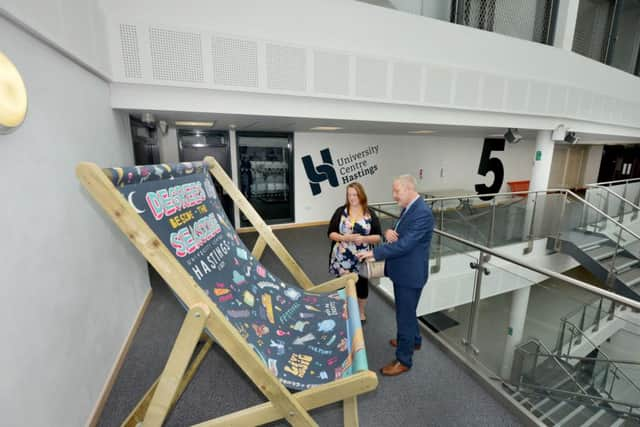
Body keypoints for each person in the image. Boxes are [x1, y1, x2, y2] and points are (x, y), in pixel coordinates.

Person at [357, 175, 434, 376]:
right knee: (407, 311)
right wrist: (390, 231)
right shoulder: (410, 207)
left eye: (397, 191)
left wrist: (375, 253)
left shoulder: (422, 213)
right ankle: (413, 341)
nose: (394, 196)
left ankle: (404, 360)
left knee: (405, 316)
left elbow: (406, 244)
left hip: (410, 275)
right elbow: (401, 233)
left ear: (409, 189)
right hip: (405, 271)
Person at [328, 182, 382, 323]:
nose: (352, 198)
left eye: (355, 194)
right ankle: (343, 310)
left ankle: (361, 312)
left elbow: (378, 237)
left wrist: (364, 238)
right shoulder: (341, 211)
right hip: (342, 258)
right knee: (342, 285)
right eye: (349, 194)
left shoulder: (370, 213)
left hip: (362, 257)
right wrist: (343, 237)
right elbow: (330, 233)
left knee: (362, 285)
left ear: (361, 195)